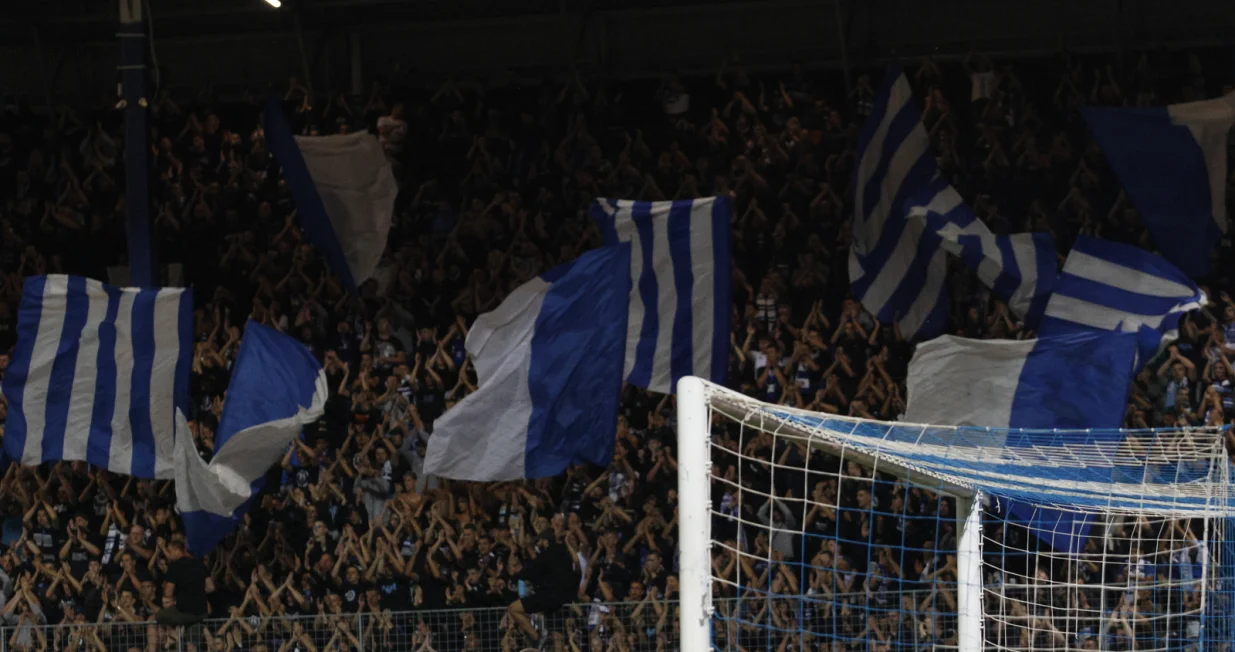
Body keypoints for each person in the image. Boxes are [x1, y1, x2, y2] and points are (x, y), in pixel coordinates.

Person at [507, 532, 580, 644]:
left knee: (513, 608)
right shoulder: (563, 553)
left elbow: (532, 571)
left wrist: (515, 575)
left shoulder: (546, 556)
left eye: (539, 541)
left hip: (549, 597)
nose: (538, 543)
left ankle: (537, 638)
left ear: (545, 542)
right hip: (562, 598)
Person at [155, 540, 207, 626]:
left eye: (169, 551)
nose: (168, 554)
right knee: (194, 634)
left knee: (159, 616)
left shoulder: (174, 566)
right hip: (202, 612)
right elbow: (210, 587)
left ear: (177, 550)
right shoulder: (200, 565)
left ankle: (174, 635)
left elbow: (168, 593)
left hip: (184, 612)